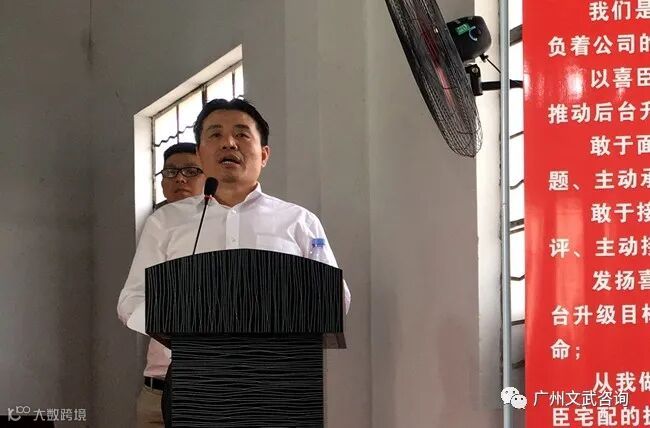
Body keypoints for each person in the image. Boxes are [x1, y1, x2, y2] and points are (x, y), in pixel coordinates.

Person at [117, 98, 350, 426]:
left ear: (264, 154)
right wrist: (181, 326)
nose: (228, 142)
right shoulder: (167, 222)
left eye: (241, 134)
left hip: (278, 383)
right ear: (201, 154)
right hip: (194, 383)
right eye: (215, 134)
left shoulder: (299, 222)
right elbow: (131, 301)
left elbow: (335, 298)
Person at [131, 142, 205, 427]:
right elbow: (135, 298)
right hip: (155, 386)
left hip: (203, 387)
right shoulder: (158, 226)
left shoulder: (223, 231)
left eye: (191, 171)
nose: (180, 179)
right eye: (171, 172)